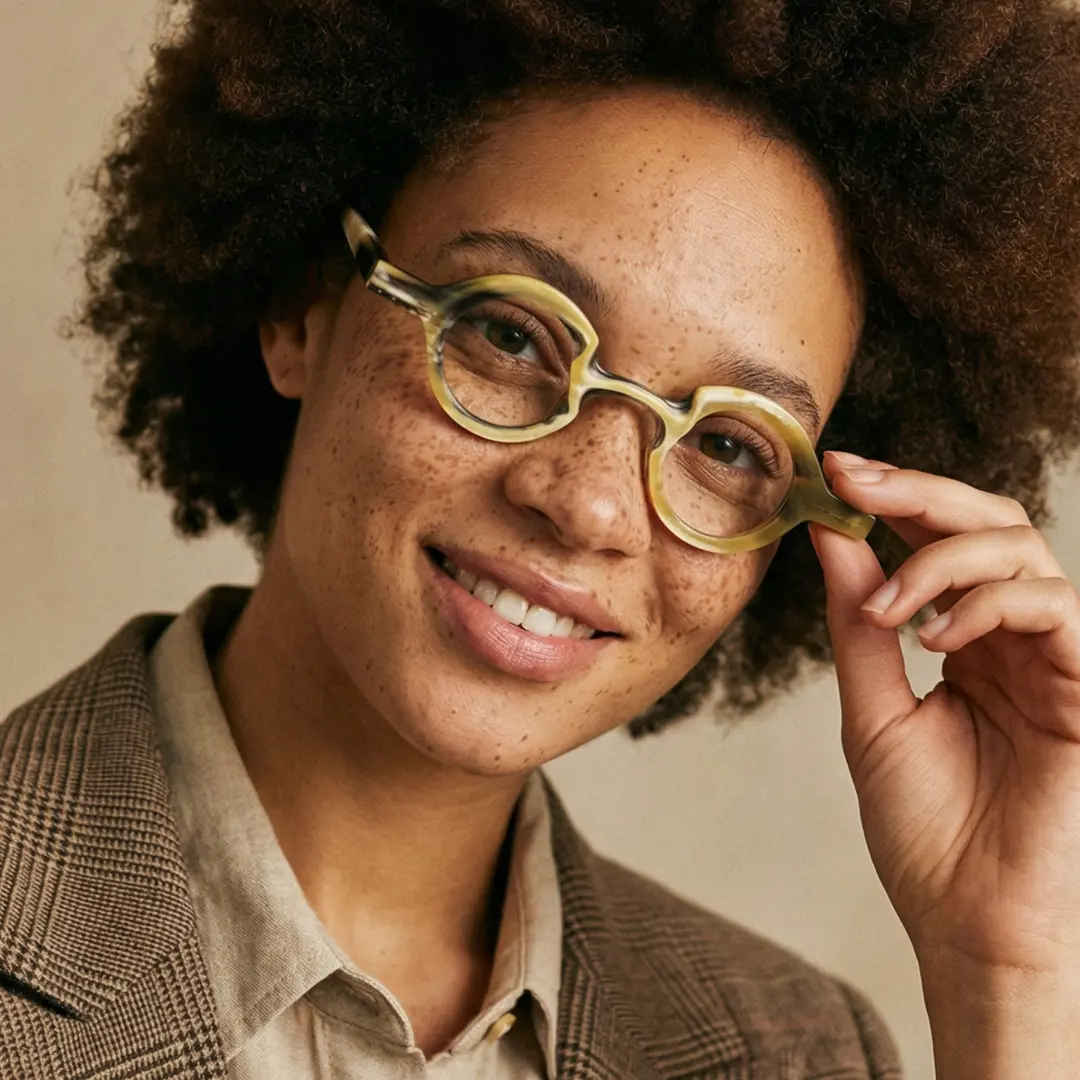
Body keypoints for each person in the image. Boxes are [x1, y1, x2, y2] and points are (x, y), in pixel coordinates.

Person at [3, 0, 1080, 1076]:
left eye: (728, 445)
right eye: (512, 337)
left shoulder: (805, 1052)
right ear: (304, 305)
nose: (591, 505)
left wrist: (1005, 982)